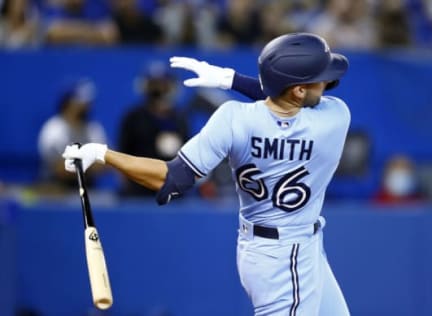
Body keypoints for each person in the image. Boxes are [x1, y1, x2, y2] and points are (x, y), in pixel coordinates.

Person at [63, 33, 351, 315]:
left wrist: (104, 155)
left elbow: (169, 178)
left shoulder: (233, 118)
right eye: (320, 77)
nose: (327, 82)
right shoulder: (334, 118)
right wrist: (233, 79)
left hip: (267, 251)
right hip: (286, 261)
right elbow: (291, 99)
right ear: (299, 90)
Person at [117, 61, 189, 197]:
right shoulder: (133, 118)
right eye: (154, 84)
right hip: (138, 190)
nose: (158, 90)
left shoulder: (179, 118)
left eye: (162, 84)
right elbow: (122, 154)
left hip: (173, 191)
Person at [38, 78, 107, 192]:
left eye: (88, 103)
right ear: (68, 102)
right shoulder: (52, 129)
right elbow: (58, 169)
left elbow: (105, 164)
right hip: (57, 188)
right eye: (81, 102)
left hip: (88, 188)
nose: (86, 106)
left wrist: (79, 165)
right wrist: (89, 163)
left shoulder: (93, 129)